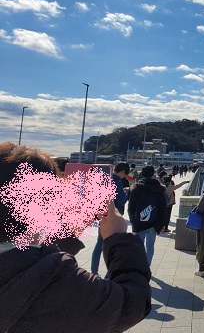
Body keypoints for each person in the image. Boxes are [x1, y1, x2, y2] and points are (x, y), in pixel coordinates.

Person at [0, 142, 151, 332]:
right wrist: (119, 238)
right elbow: (133, 303)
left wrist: (68, 233)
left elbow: (28, 263)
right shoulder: (62, 284)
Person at [91, 162, 129, 275]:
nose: (125, 177)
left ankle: (94, 271)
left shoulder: (105, 177)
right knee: (113, 246)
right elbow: (120, 200)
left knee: (99, 244)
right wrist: (126, 193)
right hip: (114, 217)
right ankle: (110, 273)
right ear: (122, 172)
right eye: (125, 175)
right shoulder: (117, 181)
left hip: (103, 215)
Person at [127, 165, 167, 266]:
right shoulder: (158, 188)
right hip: (153, 222)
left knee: (138, 246)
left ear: (142, 174)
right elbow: (163, 207)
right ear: (153, 174)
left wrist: (132, 219)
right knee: (150, 246)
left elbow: (131, 206)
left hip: (138, 223)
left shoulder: (135, 188)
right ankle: (147, 268)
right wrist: (163, 223)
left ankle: (139, 267)